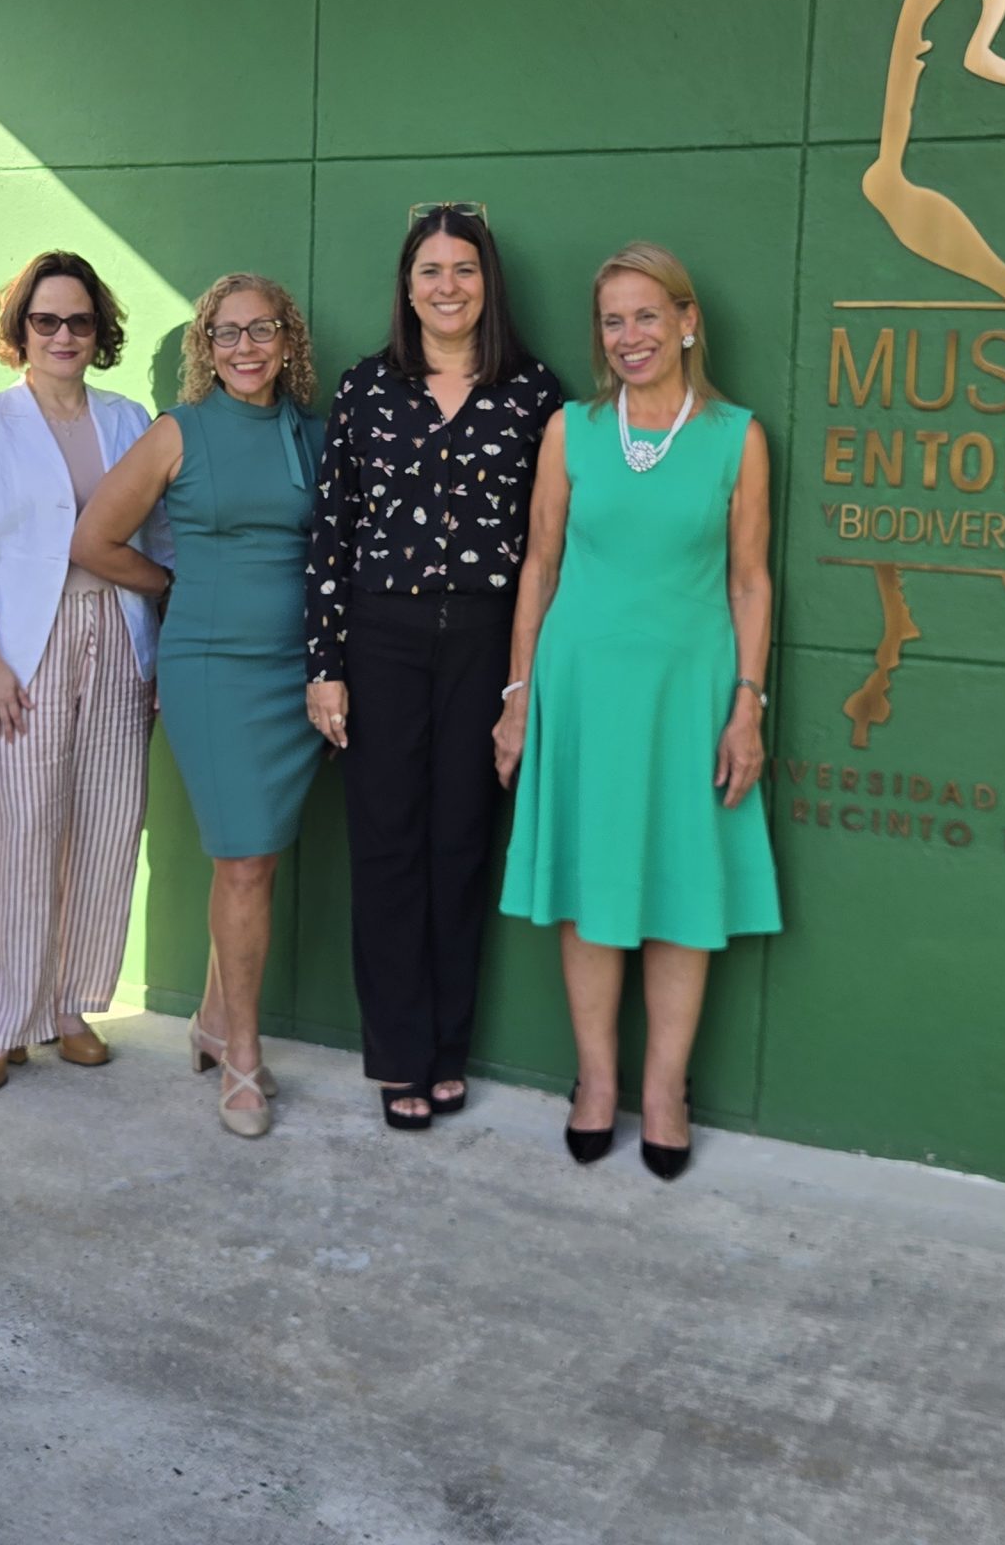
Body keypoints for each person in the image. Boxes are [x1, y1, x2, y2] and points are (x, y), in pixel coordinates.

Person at [492, 242, 781, 1181]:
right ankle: (596, 1082)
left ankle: (664, 1092)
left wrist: (747, 706)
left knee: (679, 891)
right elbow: (539, 566)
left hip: (689, 694)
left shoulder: (737, 437)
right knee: (589, 889)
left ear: (687, 322)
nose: (629, 336)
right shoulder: (571, 430)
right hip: (580, 691)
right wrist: (518, 696)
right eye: (612, 320)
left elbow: (750, 581)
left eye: (647, 315)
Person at [304, 204, 560, 1129]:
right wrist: (325, 664)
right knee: (385, 847)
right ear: (406, 288)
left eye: (464, 269)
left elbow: (548, 546)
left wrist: (525, 680)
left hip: (486, 639)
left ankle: (448, 1049)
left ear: (488, 283)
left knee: (460, 844)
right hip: (382, 635)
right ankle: (399, 1054)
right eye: (430, 271)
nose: (447, 287)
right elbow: (332, 532)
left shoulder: (534, 393)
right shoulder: (368, 387)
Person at [72, 273, 324, 1139]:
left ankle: (215, 1021)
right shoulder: (178, 433)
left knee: (258, 857)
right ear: (205, 347)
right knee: (244, 857)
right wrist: (171, 585)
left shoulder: (314, 434)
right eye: (226, 332)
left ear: (288, 340)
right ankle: (243, 1055)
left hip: (298, 673)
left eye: (262, 330)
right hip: (213, 670)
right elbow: (95, 539)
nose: (245, 348)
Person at [0, 253, 167, 1097]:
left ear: (98, 331)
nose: (63, 335)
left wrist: (161, 648)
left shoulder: (130, 418)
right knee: (15, 837)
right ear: (20, 330)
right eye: (45, 321)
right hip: (17, 651)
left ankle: (69, 1008)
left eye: (79, 321)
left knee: (104, 827)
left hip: (117, 637)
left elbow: (159, 542)